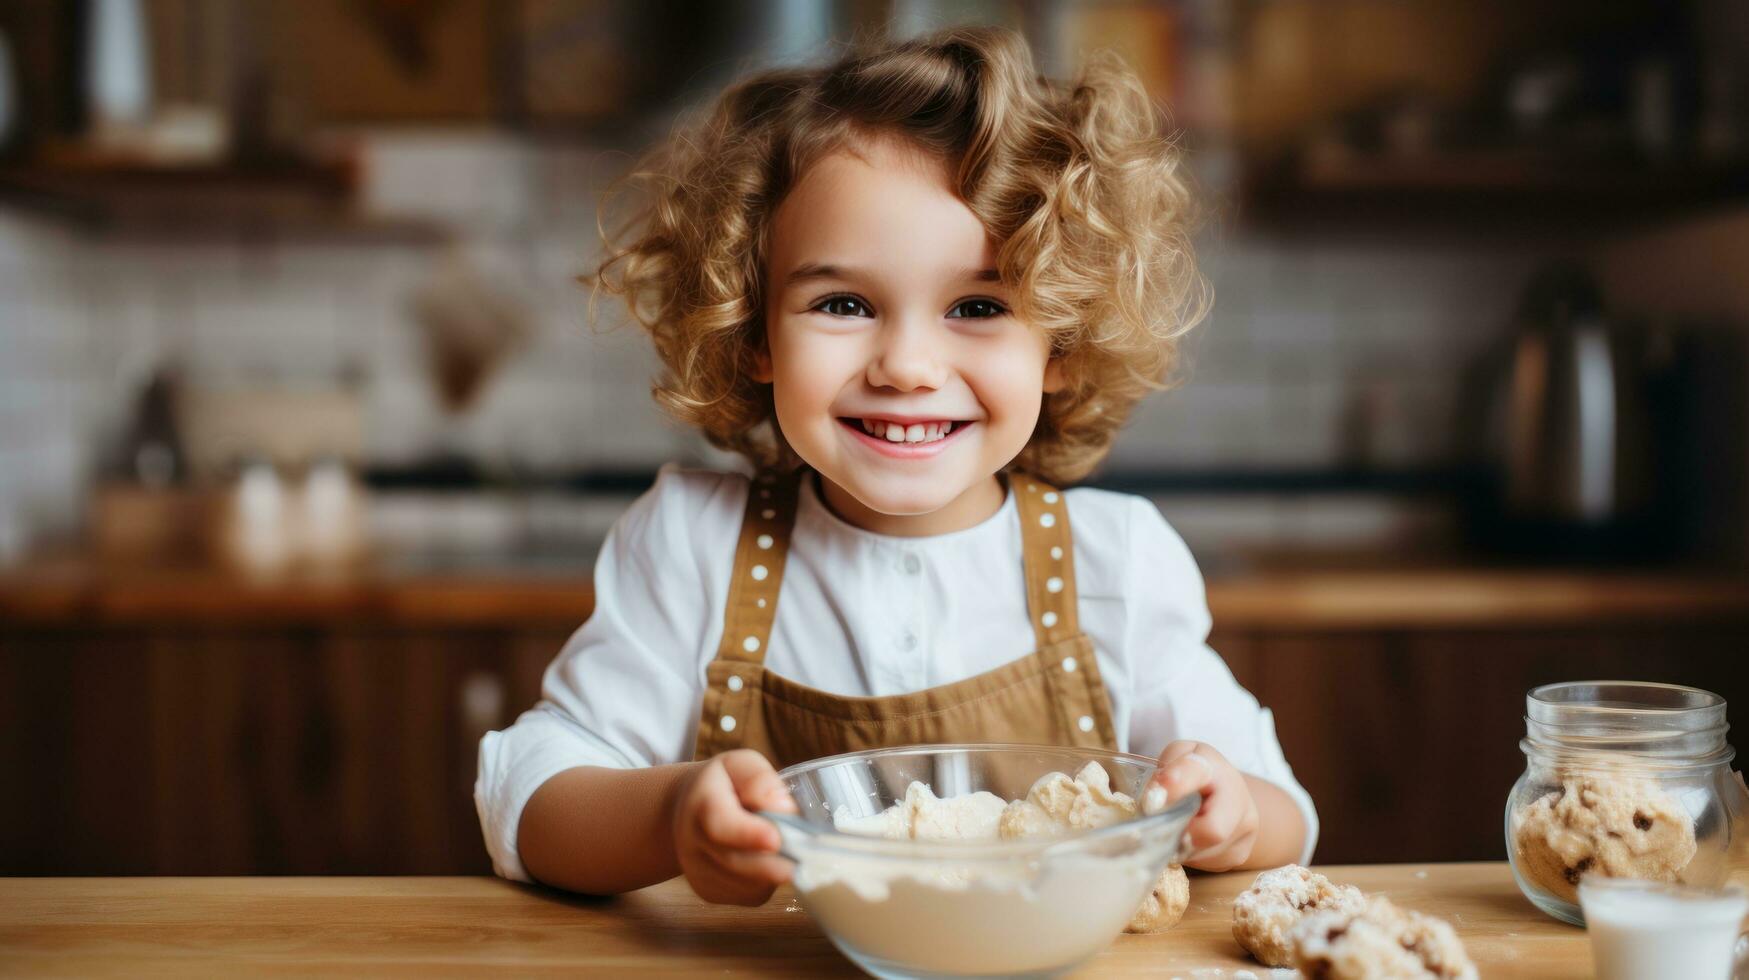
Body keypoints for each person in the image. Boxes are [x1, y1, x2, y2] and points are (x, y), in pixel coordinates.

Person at [476, 25, 1315, 906]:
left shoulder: (1118, 564)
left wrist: (1230, 816)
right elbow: (527, 793)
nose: (907, 366)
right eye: (843, 303)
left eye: (978, 305)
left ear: (1059, 341)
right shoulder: (693, 546)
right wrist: (671, 816)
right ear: (755, 328)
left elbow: (1285, 810)